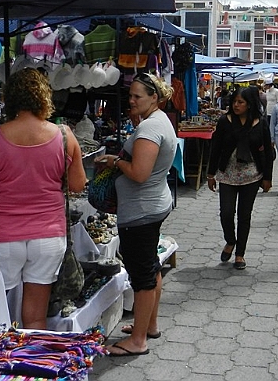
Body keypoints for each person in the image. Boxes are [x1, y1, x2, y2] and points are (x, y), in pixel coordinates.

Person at [0, 68, 86, 329]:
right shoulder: (64, 135)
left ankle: (1, 364)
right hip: (48, 235)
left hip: (4, 235)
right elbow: (77, 185)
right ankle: (34, 364)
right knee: (35, 317)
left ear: (11, 99)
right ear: (44, 97)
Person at [94, 72, 176, 357]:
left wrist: (115, 161)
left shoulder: (150, 129)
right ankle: (149, 325)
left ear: (154, 97)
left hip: (141, 211)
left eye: (137, 96)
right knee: (151, 267)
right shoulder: (158, 121)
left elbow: (139, 173)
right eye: (130, 95)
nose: (131, 100)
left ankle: (138, 340)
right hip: (153, 205)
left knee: (142, 275)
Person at [206, 86, 273, 270]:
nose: (236, 105)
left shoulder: (260, 123)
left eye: (241, 102)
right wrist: (210, 174)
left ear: (250, 104)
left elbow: (268, 151)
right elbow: (216, 148)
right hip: (227, 174)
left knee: (245, 216)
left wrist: (267, 177)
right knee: (226, 213)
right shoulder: (224, 121)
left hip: (251, 175)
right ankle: (230, 240)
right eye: (234, 101)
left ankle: (240, 254)